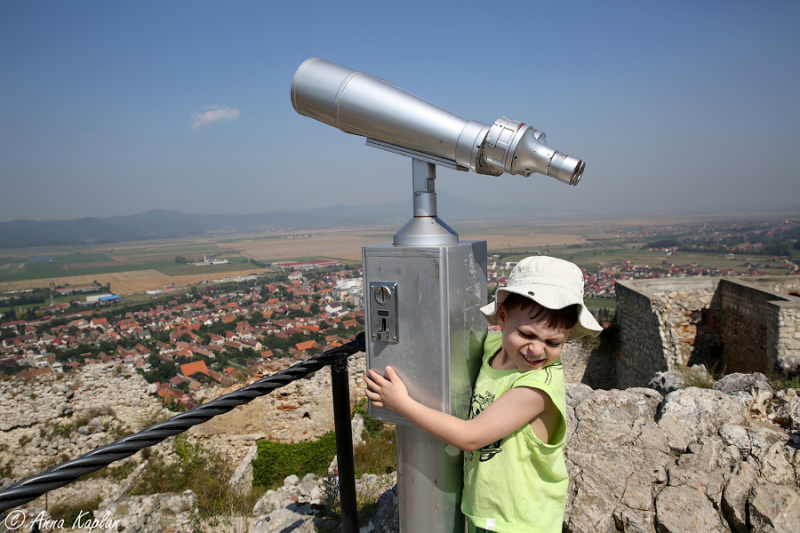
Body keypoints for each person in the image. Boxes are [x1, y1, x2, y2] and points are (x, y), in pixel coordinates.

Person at [364, 256, 602, 532]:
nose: (537, 350)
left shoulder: (537, 387)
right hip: (486, 514)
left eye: (553, 342)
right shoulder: (492, 348)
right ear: (502, 318)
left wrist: (402, 403)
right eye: (526, 335)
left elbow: (471, 436)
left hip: (519, 522)